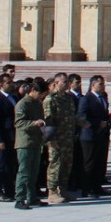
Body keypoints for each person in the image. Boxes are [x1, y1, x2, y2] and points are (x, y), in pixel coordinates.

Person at [13, 79, 48, 210]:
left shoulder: (37, 104)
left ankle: (31, 197)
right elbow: (19, 123)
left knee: (34, 172)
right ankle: (20, 198)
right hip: (25, 143)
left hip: (36, 142)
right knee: (24, 172)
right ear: (33, 91)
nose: (42, 97)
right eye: (41, 94)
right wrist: (34, 123)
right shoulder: (23, 104)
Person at [43, 73, 77, 203]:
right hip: (56, 139)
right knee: (55, 165)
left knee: (66, 164)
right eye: (64, 81)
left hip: (68, 137)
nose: (67, 84)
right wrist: (51, 139)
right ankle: (52, 192)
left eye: (68, 81)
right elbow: (48, 120)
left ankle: (62, 189)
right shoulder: (50, 99)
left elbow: (72, 116)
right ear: (56, 82)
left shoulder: (68, 98)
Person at [77, 74, 111, 198]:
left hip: (101, 135)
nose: (103, 86)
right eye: (100, 84)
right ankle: (87, 189)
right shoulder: (86, 99)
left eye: (103, 84)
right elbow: (82, 116)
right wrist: (97, 123)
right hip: (89, 135)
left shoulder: (102, 98)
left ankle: (97, 186)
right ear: (93, 85)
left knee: (99, 162)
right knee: (89, 163)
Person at [0, 78, 18, 202]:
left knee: (10, 164)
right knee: (0, 164)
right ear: (0, 85)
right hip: (3, 136)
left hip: (13, 136)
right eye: (8, 83)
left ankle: (9, 190)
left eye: (12, 82)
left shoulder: (13, 97)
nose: (11, 84)